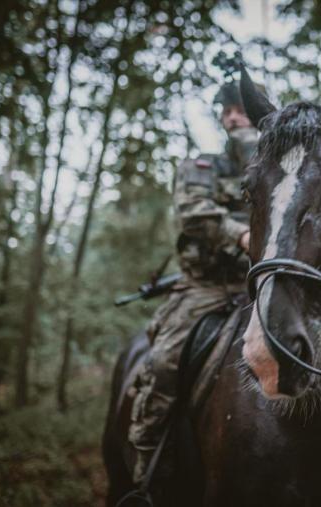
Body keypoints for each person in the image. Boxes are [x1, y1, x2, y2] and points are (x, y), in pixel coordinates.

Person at [128, 79, 258, 484]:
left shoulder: (278, 171)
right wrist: (241, 234)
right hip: (206, 289)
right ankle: (145, 467)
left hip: (261, 286)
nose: (232, 115)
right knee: (164, 363)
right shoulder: (202, 166)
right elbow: (194, 214)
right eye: (226, 111)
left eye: (240, 108)